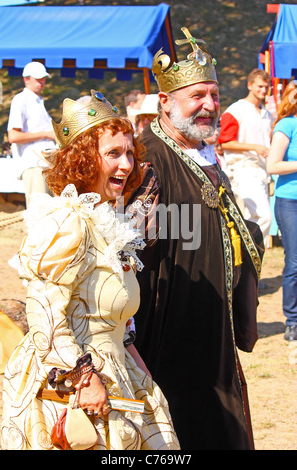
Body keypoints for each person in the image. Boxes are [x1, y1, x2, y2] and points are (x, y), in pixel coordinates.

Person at [1, 90, 180, 451]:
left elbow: (111, 317)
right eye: (113, 153)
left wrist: (138, 366)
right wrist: (84, 377)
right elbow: (45, 314)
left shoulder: (108, 220)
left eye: (130, 152)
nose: (127, 165)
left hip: (117, 370)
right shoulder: (67, 222)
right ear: (83, 161)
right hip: (74, 382)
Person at [129, 27, 264, 450]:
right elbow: (132, 245)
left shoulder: (204, 153)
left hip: (212, 324)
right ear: (165, 102)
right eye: (197, 96)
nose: (209, 105)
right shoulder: (148, 156)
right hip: (168, 329)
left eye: (214, 94)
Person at [218, 68, 274, 246]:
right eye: (259, 86)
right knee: (264, 217)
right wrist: (254, 147)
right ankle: (249, 254)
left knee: (252, 220)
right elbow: (225, 142)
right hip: (244, 169)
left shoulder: (267, 114)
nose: (263, 91)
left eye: (266, 87)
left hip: (263, 170)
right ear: (250, 85)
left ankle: (248, 265)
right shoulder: (236, 110)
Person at [266, 80, 297, 342]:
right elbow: (272, 165)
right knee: (295, 262)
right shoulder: (287, 125)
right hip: (291, 202)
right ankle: (293, 321)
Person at [7, 61, 56, 207]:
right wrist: (47, 134)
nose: (42, 82)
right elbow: (13, 136)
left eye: (43, 78)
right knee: (39, 213)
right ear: (26, 79)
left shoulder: (38, 101)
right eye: (37, 78)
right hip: (33, 164)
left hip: (44, 164)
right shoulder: (20, 100)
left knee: (47, 214)